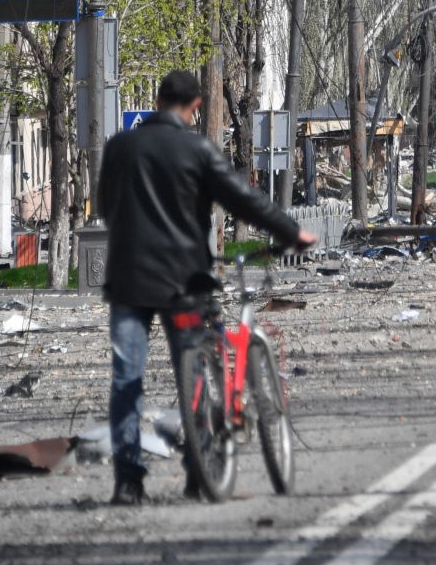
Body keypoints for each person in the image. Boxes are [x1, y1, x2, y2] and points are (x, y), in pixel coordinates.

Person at [96, 69, 316, 505]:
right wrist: (290, 231)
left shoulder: (121, 147)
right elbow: (242, 198)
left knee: (126, 379)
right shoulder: (196, 149)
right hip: (185, 281)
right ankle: (199, 474)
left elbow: (106, 206)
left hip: (128, 280)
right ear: (196, 105)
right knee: (193, 374)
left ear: (158, 100)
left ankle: (127, 482)